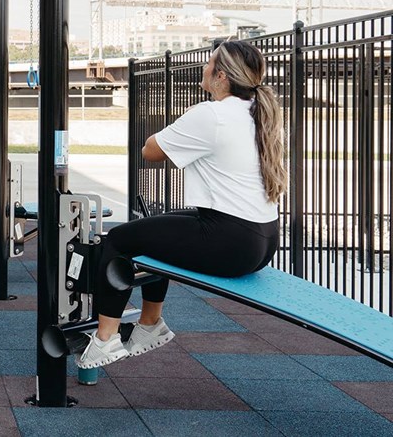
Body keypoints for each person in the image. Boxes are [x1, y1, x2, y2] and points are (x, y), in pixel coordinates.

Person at [77, 40, 287, 369]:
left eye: (208, 64)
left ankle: (106, 340)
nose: (203, 69)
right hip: (263, 241)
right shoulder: (257, 112)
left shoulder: (212, 114)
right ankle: (149, 325)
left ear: (220, 77)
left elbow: (150, 152)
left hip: (231, 242)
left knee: (117, 241)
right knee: (155, 229)